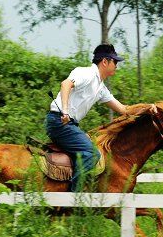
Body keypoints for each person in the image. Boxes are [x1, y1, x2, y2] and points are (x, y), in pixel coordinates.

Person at [45, 44, 128, 191]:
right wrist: (65, 111)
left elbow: (123, 109)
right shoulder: (86, 73)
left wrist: (150, 109)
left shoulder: (101, 88)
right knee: (91, 153)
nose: (116, 65)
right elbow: (65, 84)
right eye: (115, 62)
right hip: (59, 121)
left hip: (69, 125)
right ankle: (75, 198)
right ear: (105, 61)